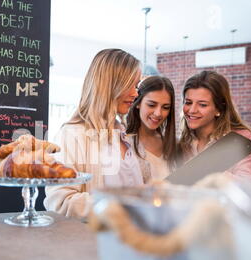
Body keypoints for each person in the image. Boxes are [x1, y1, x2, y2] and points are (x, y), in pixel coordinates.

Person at [43, 48, 145, 218]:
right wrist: (122, 207)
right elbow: (60, 202)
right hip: (94, 241)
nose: (136, 94)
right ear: (110, 85)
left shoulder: (122, 134)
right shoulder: (72, 135)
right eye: (130, 85)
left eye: (137, 85)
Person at [178, 70, 251, 182]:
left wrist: (204, 171)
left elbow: (249, 187)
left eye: (202, 105)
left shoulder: (240, 139)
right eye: (188, 102)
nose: (192, 110)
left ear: (219, 108)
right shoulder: (182, 143)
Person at [126, 76, 177, 182]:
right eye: (152, 105)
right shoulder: (124, 144)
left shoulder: (176, 143)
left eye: (165, 107)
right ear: (138, 103)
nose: (158, 113)